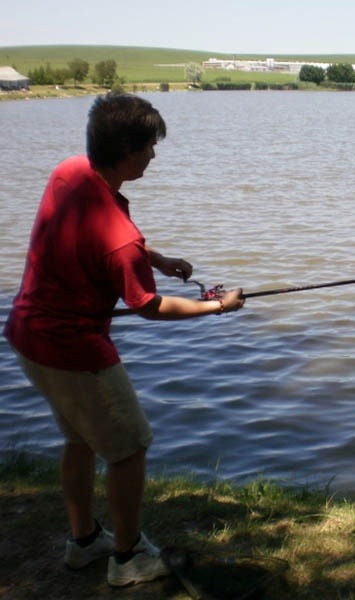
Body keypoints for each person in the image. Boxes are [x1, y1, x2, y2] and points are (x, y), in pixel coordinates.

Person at [3, 91, 245, 587]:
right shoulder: (121, 239)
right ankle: (128, 557)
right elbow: (148, 306)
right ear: (128, 152)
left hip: (28, 337)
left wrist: (155, 259)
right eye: (149, 147)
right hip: (74, 352)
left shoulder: (69, 171)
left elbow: (107, 238)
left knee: (80, 440)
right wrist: (217, 306)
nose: (154, 156)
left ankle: (84, 542)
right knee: (129, 448)